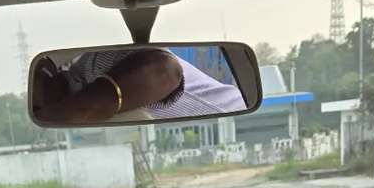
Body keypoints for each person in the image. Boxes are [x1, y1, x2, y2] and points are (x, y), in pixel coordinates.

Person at [32, 48, 247, 124]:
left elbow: (166, 71)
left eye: (36, 106)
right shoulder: (78, 73)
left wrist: (62, 114)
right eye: (36, 108)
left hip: (237, 113)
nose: (37, 107)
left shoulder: (101, 62)